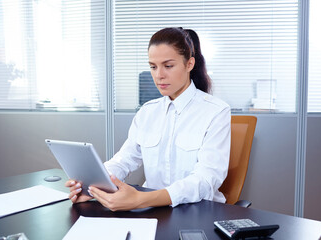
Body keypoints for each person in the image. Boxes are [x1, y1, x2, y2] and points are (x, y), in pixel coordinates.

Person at [66, 27, 231, 211]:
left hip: (198, 211)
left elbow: (205, 179)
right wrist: (92, 186)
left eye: (168, 66)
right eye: (153, 66)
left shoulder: (216, 111)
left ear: (189, 64)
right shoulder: (147, 112)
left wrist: (141, 199)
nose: (159, 75)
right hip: (155, 210)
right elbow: (124, 160)